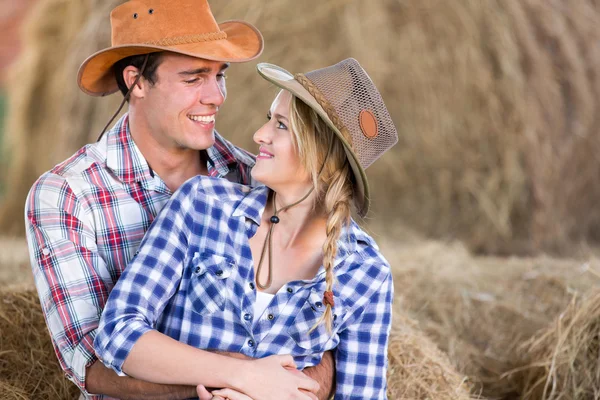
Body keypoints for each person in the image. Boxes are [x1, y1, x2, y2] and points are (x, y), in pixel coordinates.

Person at [24, 1, 333, 399]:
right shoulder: (66, 196)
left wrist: (286, 388)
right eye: (193, 78)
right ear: (136, 81)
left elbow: (327, 331)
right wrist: (237, 377)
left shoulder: (257, 180)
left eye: (220, 76)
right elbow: (90, 363)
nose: (216, 97)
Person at [95, 58, 398, 399]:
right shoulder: (203, 204)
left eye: (281, 126)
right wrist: (243, 375)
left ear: (322, 154)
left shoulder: (367, 274)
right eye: (269, 120)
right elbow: (117, 335)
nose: (259, 135)